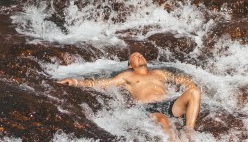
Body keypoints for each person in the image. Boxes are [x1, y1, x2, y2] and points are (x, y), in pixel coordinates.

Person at [58, 52, 202, 133]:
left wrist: (189, 83)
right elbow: (103, 84)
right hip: (148, 107)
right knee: (163, 121)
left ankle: (188, 132)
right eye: (135, 56)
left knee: (194, 92)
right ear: (129, 65)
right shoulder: (127, 76)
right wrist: (76, 82)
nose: (139, 56)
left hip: (168, 104)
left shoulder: (159, 73)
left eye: (141, 55)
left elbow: (181, 80)